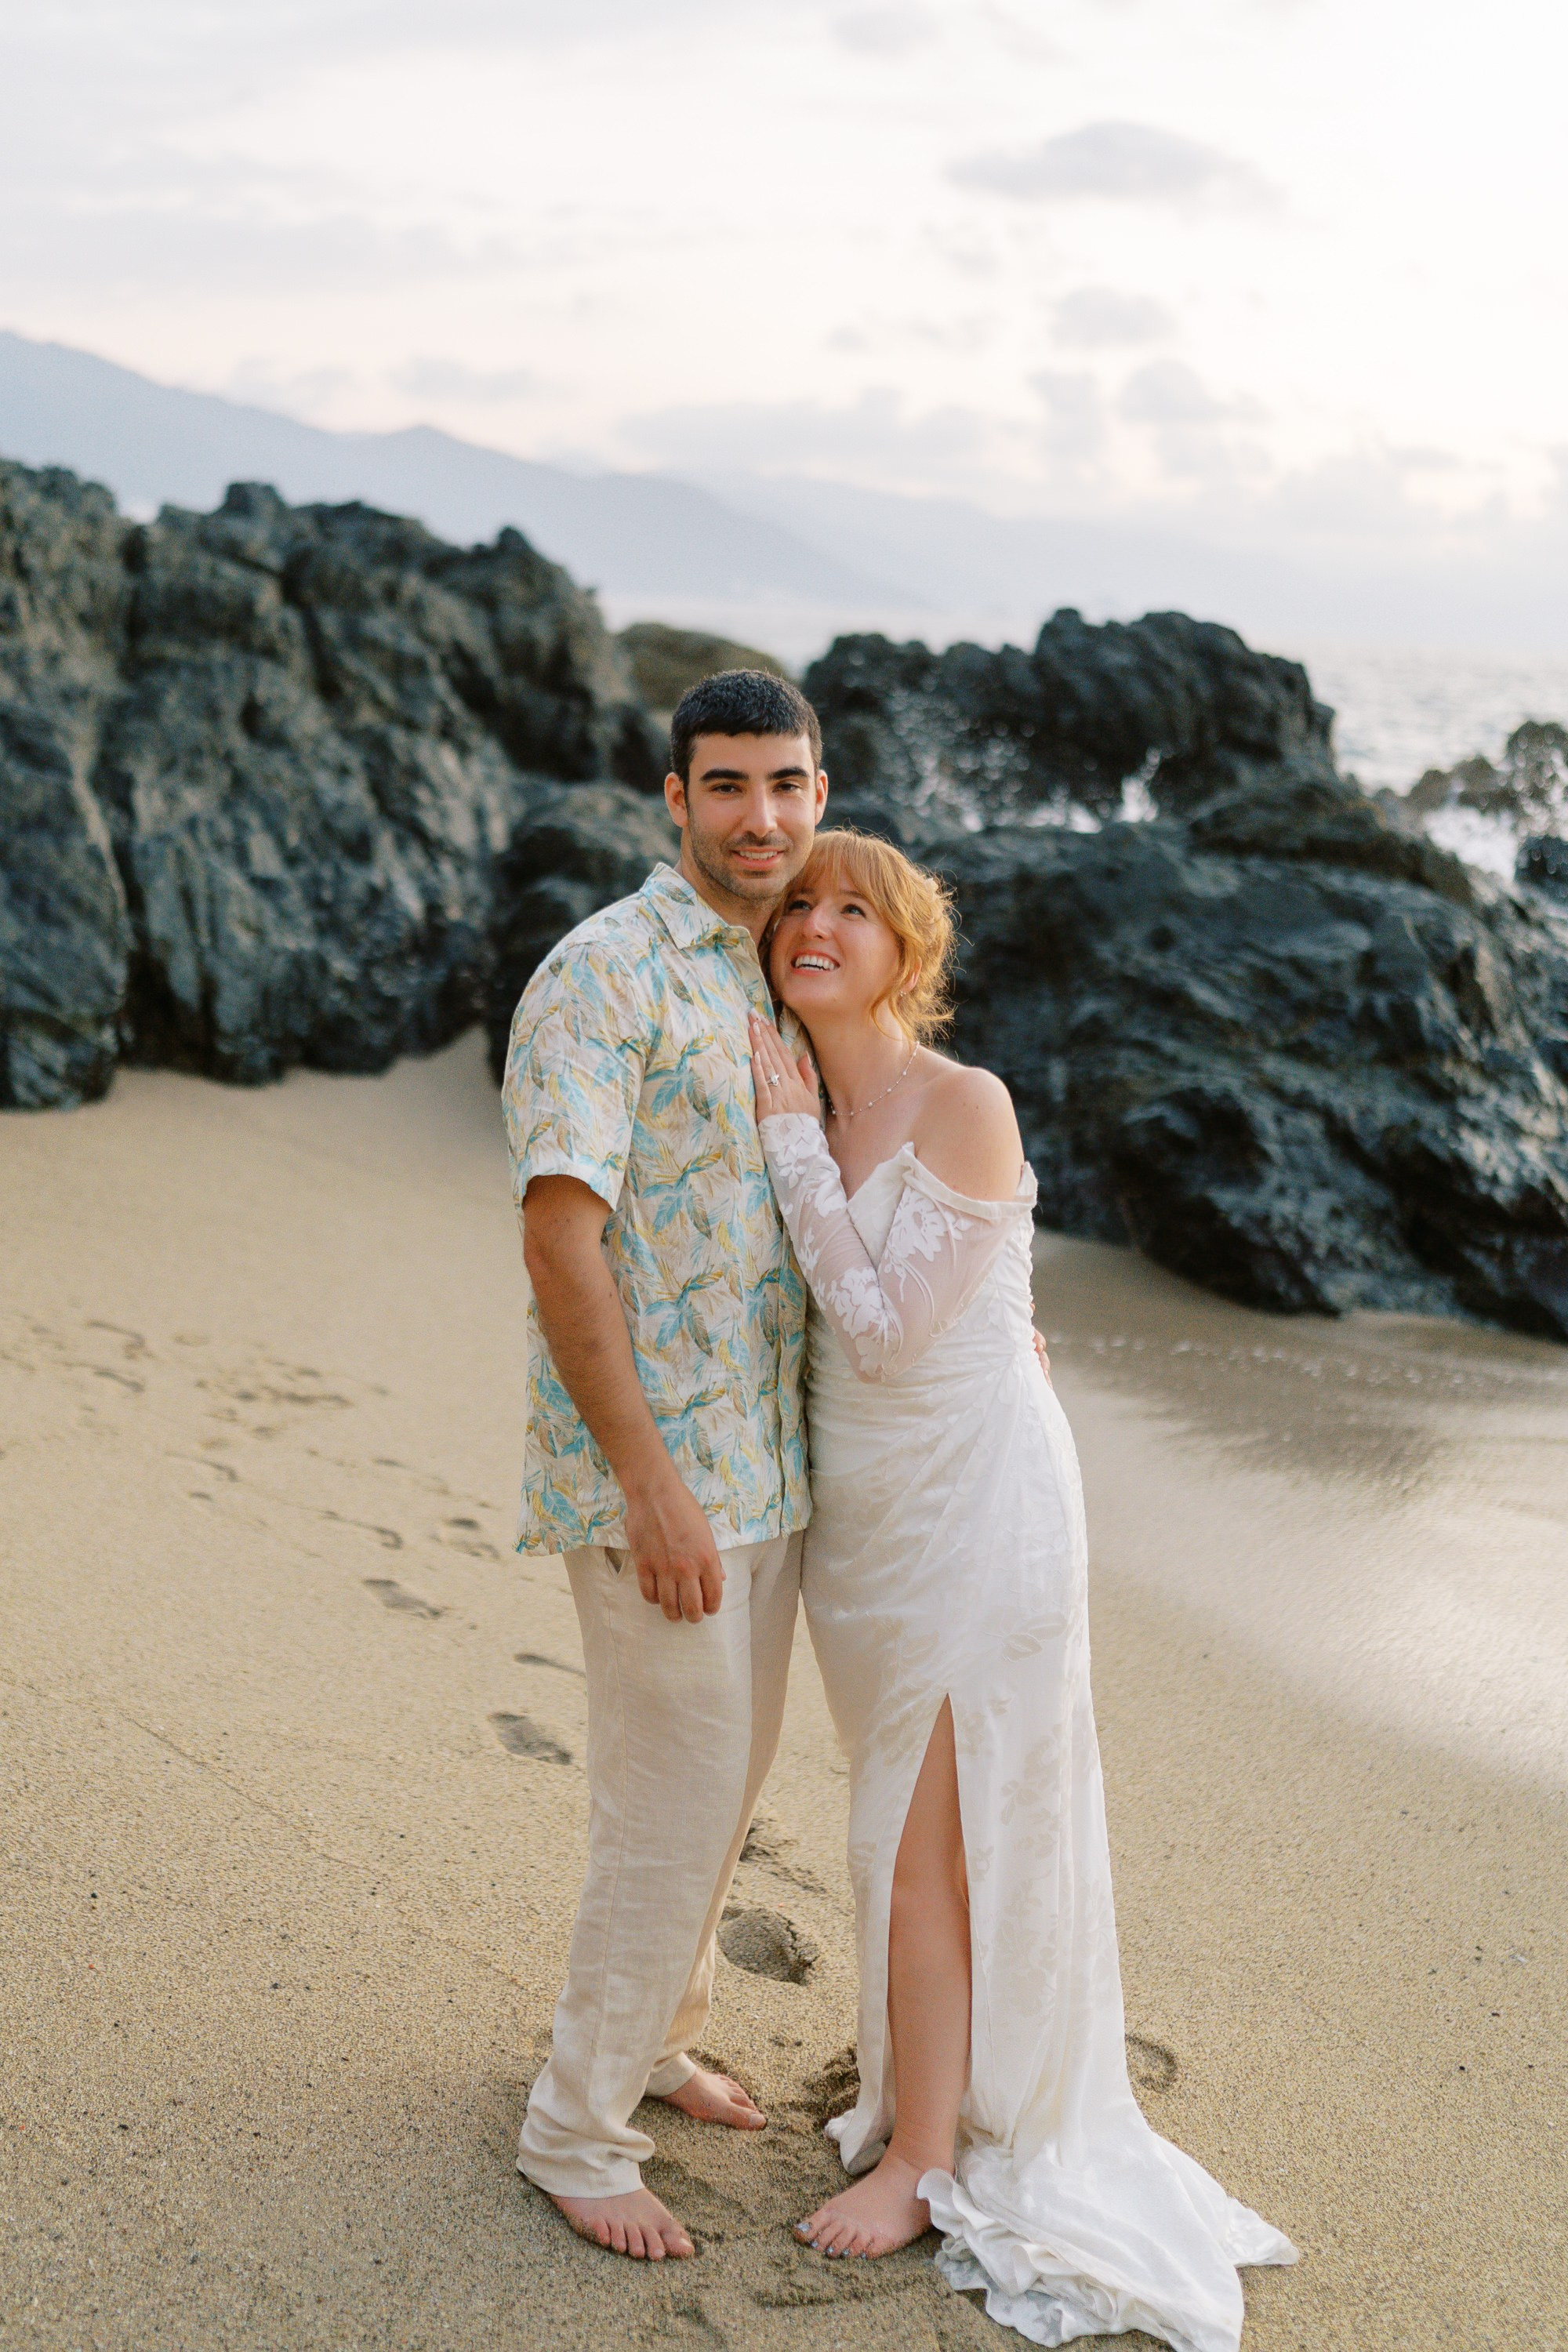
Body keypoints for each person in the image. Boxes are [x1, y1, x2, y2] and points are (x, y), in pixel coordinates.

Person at [746, 829, 1298, 2351]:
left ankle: (927, 2157)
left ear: (906, 952)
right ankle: (936, 2092)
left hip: (979, 1511)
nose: (819, 924)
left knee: (936, 1840)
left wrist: (796, 1149)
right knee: (911, 1826)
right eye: (798, 904)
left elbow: (875, 1329)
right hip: (867, 1521)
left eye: (855, 908)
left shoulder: (958, 1104)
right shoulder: (791, 1097)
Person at [501, 669, 828, 2261]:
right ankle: (573, 2130)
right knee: (668, 1802)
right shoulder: (605, 976)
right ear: (674, 801)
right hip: (661, 1479)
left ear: (817, 795)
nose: (757, 816)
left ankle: (653, 2040)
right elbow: (559, 1235)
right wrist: (648, 1485)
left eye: (784, 783)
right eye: (725, 786)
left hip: (770, 1470)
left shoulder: (778, 975)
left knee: (725, 1795)